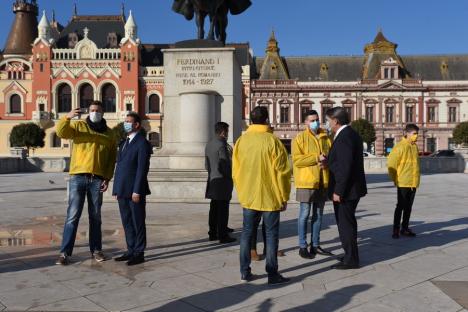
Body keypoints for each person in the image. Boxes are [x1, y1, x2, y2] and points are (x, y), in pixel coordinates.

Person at [233, 106, 291, 285]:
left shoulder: (241, 141)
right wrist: (284, 196)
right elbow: (283, 172)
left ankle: (245, 271)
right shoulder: (273, 141)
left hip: (249, 196)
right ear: (266, 120)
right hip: (271, 196)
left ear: (251, 120)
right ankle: (272, 273)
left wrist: (242, 191)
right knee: (271, 235)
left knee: (247, 234)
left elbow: (236, 171)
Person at [55, 101, 117, 265]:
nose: (95, 112)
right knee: (72, 216)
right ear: (88, 112)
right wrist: (67, 117)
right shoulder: (79, 126)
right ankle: (65, 253)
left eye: (98, 110)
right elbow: (61, 132)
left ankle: (96, 250)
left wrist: (107, 178)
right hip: (78, 177)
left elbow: (111, 159)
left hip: (97, 179)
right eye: (92, 110)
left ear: (103, 113)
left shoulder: (110, 134)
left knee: (95, 217)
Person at [325, 107, 367, 270]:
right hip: (351, 189)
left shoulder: (344, 137)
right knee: (348, 223)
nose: (327, 124)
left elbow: (345, 167)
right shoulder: (350, 134)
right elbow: (342, 162)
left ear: (335, 121)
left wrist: (338, 191)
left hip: (346, 191)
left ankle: (351, 260)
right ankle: (350, 255)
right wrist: (328, 162)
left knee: (345, 225)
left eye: (328, 120)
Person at [112, 112, 153, 266]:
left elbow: (142, 169)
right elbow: (120, 167)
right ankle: (130, 249)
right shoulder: (123, 143)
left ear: (137, 125)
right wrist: (116, 189)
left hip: (135, 191)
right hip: (122, 190)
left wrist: (137, 190)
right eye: (125, 121)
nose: (126, 124)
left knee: (138, 222)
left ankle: (139, 252)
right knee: (127, 222)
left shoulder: (142, 143)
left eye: (129, 121)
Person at [292, 110, 333, 259]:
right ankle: (302, 246)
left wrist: (327, 162)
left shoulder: (326, 138)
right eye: (312, 120)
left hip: (323, 181)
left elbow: (332, 158)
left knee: (318, 215)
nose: (315, 122)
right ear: (306, 123)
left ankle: (315, 245)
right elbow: (297, 160)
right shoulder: (299, 138)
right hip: (306, 182)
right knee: (304, 215)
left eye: (316, 119)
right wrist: (316, 158)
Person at [387, 123, 420, 239]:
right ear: (407, 133)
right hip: (403, 182)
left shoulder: (415, 147)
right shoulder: (399, 147)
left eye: (417, 134)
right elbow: (391, 164)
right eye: (414, 134)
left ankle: (405, 228)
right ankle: (395, 230)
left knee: (408, 207)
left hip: (413, 182)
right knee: (400, 206)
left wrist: (416, 180)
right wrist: (395, 179)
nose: (416, 136)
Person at [205, 122, 236, 244]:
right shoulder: (222, 145)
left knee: (214, 207)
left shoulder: (209, 144)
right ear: (223, 132)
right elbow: (225, 164)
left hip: (212, 179)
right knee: (223, 208)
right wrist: (230, 176)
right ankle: (223, 234)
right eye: (227, 131)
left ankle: (212, 232)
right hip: (222, 181)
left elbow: (207, 165)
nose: (227, 134)